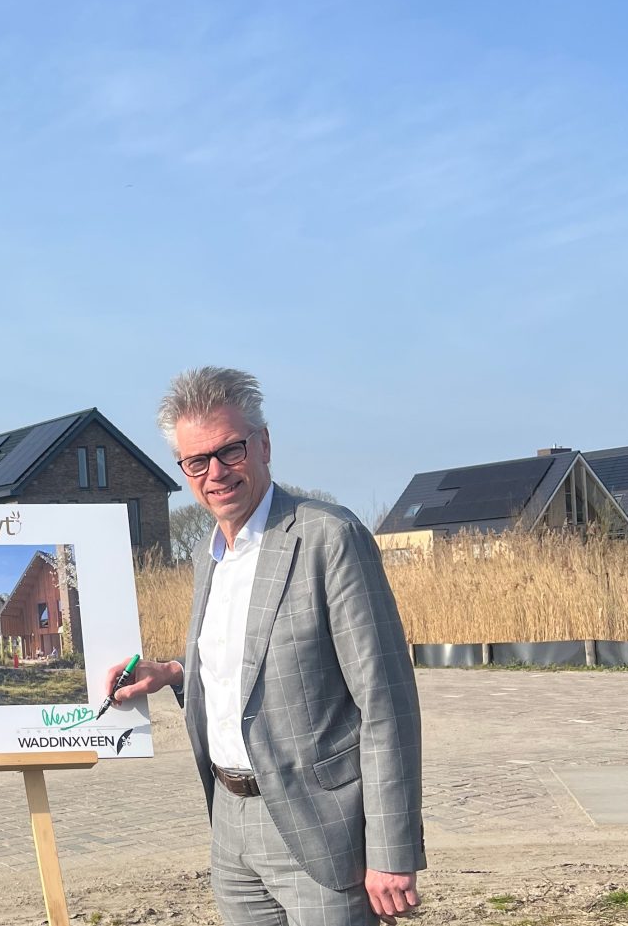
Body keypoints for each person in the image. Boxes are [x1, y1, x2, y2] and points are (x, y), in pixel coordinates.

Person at [106, 367, 424, 925]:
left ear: (264, 445)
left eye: (230, 450)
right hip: (229, 825)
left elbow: (386, 700)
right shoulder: (209, 555)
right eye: (196, 461)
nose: (215, 473)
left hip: (322, 828)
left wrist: (391, 851)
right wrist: (174, 673)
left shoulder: (328, 536)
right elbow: (248, 663)